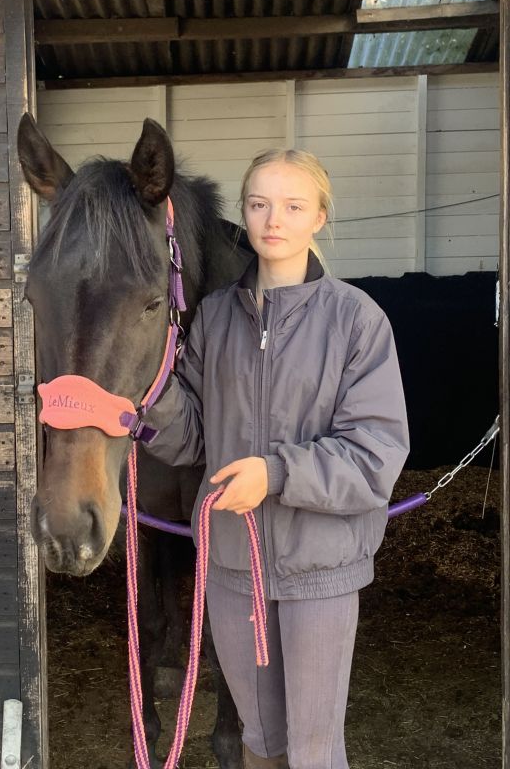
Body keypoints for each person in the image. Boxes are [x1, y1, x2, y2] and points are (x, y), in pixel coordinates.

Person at [140, 148, 410, 769]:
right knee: (260, 743)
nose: (273, 220)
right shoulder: (211, 319)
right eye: (259, 204)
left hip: (321, 568)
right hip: (234, 568)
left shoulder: (357, 321)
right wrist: (142, 399)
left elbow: (376, 454)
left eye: (292, 206)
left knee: (314, 750)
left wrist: (276, 473)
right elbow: (191, 440)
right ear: (245, 212)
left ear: (319, 217)